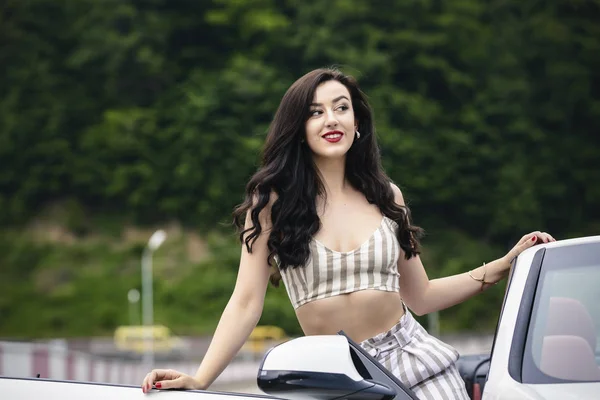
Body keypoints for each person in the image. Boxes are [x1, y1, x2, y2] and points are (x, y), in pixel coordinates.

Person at [141, 68, 555, 399]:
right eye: (316, 111)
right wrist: (201, 379)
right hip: (337, 377)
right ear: (298, 127)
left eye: (341, 107)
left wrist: (501, 266)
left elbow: (421, 296)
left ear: (357, 121)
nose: (331, 119)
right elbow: (246, 302)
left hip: (418, 367)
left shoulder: (384, 195)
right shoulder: (270, 206)